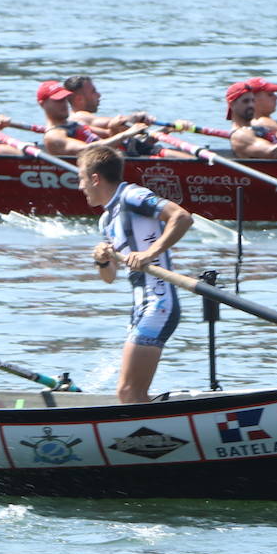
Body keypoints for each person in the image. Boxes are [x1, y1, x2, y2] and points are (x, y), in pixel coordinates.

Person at [82, 144, 193, 404]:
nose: (80, 186)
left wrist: (149, 253)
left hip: (159, 304)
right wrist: (101, 261)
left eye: (81, 178)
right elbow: (109, 277)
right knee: (131, 393)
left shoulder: (133, 195)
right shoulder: (105, 220)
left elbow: (182, 217)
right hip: (140, 308)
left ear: (95, 178)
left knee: (127, 392)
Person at [61, 74, 187, 158]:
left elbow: (116, 131)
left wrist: (168, 128)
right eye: (93, 92)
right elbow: (115, 122)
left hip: (134, 149)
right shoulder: (78, 117)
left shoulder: (88, 124)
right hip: (134, 153)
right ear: (79, 99)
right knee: (192, 159)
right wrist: (136, 116)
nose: (99, 95)